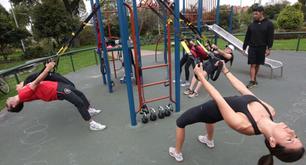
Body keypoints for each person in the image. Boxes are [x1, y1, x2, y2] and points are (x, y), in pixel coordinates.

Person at [169, 61, 304, 162]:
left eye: (289, 139)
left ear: (273, 142)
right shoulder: (270, 111)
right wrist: (226, 71)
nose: (291, 132)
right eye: (295, 136)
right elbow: (245, 91)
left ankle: (177, 152)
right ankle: (208, 140)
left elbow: (218, 98)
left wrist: (201, 77)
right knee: (209, 118)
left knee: (181, 122)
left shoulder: (243, 124)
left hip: (214, 108)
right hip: (221, 110)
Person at [5, 61, 106, 131]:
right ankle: (92, 124)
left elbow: (32, 82)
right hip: (56, 91)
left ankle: (89, 109)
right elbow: (36, 81)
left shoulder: (22, 94)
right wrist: (47, 68)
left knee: (79, 93)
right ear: (13, 105)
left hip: (56, 86)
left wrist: (47, 67)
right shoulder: (22, 95)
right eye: (7, 104)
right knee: (78, 102)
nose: (7, 101)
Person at [243, 3, 274, 89]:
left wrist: (269, 48)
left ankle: (254, 79)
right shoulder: (251, 25)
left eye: (256, 13)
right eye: (253, 13)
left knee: (257, 64)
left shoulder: (269, 24)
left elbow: (270, 37)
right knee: (252, 64)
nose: (254, 15)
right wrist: (244, 47)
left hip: (262, 47)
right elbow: (247, 36)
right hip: (252, 47)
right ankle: (252, 81)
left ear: (261, 13)